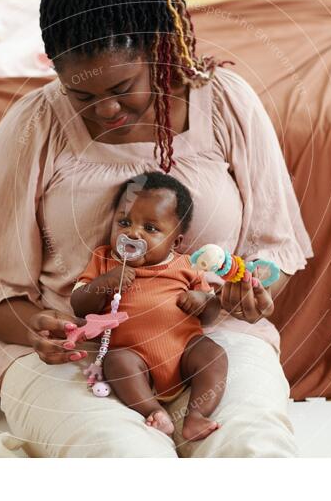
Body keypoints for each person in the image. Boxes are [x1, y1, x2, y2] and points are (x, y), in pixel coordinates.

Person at [0, 0, 313, 457]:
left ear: (159, 47)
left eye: (120, 89)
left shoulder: (227, 104)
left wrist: (242, 296)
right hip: (79, 355)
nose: (103, 111)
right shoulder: (34, 126)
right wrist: (38, 330)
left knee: (253, 449)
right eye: (80, 93)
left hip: (211, 342)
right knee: (120, 460)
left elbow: (273, 252)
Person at [71, 171, 226, 441]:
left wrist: (203, 301)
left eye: (150, 228)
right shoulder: (104, 259)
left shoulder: (186, 265)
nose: (132, 233)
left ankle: (196, 415)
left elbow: (211, 315)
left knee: (213, 355)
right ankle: (153, 411)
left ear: (175, 242)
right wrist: (106, 282)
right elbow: (79, 305)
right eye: (124, 222)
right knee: (116, 363)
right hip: (132, 356)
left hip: (184, 349)